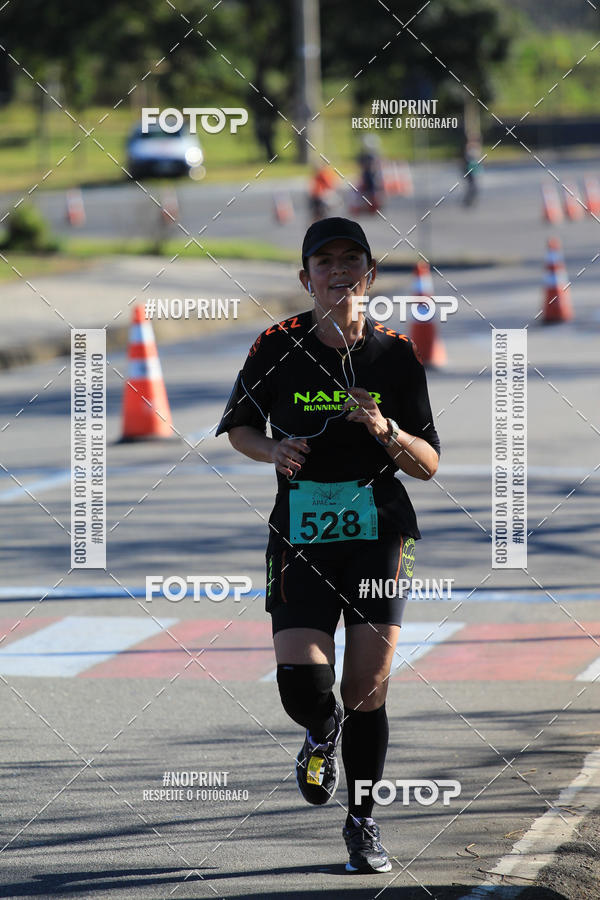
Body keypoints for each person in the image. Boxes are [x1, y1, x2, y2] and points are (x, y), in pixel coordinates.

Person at [216, 217, 440, 874]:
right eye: (325, 263)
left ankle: (363, 822)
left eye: (352, 262)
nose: (338, 273)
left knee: (366, 687)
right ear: (305, 277)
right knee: (303, 686)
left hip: (380, 536)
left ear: (370, 275)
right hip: (301, 536)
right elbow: (239, 429)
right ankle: (320, 732)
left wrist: (385, 428)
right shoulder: (276, 345)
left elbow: (427, 464)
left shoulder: (395, 355)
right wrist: (273, 449)